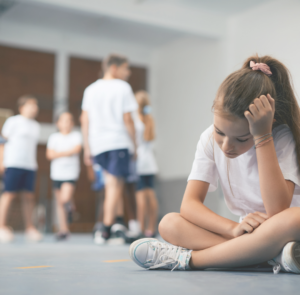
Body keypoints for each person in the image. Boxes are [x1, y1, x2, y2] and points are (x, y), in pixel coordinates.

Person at [129, 55, 300, 274]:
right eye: (220, 132)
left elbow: (277, 210)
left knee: (295, 218)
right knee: (169, 223)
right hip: (247, 235)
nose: (227, 146)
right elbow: (189, 205)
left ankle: (189, 260)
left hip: (283, 231)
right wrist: (233, 228)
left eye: (241, 138)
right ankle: (264, 257)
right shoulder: (208, 138)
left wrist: (263, 137)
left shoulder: (280, 136)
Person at [81, 53, 138, 244]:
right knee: (114, 184)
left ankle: (119, 223)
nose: (128, 73)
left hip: (98, 145)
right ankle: (105, 228)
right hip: (117, 142)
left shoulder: (90, 89)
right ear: (114, 68)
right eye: (126, 68)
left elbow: (84, 120)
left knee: (114, 183)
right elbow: (128, 119)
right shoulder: (122, 87)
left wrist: (87, 147)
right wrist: (135, 144)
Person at [0, 95, 42, 243]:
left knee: (29, 197)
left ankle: (30, 228)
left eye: (35, 105)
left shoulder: (36, 126)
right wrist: (1, 161)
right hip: (13, 163)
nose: (34, 108)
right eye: (31, 105)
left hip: (29, 165)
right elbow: (2, 141)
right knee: (9, 194)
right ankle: (1, 226)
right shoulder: (13, 121)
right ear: (22, 107)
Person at [46, 112, 82, 240]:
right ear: (58, 123)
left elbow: (76, 149)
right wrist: (67, 152)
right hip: (57, 173)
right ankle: (64, 229)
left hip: (70, 173)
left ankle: (71, 206)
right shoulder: (54, 137)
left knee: (64, 199)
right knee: (59, 203)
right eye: (64, 120)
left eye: (69, 120)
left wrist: (58, 153)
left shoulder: (76, 135)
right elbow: (49, 155)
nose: (67, 123)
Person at [134, 91, 158, 238]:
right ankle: (150, 228)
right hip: (151, 163)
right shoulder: (149, 120)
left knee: (140, 196)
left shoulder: (136, 120)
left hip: (139, 162)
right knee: (151, 195)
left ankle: (141, 229)